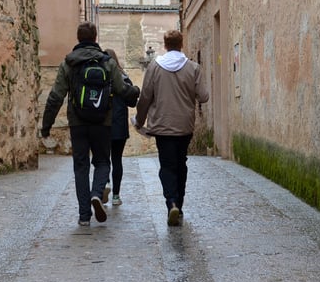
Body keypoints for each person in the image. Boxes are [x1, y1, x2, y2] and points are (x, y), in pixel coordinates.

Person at [41, 22, 139, 226]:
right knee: (103, 162)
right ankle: (97, 194)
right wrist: (136, 94)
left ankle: (84, 215)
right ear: (95, 38)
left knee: (81, 166)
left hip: (77, 122)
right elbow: (122, 90)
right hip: (103, 122)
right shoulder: (107, 62)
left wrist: (46, 126)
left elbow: (55, 96)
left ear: (78, 38)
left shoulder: (69, 62)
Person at [134, 29, 209, 226]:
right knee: (180, 163)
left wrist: (139, 121)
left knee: (166, 166)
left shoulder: (154, 67)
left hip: (162, 125)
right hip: (185, 125)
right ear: (181, 43)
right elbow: (204, 96)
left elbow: (145, 98)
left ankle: (172, 202)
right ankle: (180, 205)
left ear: (165, 45)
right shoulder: (193, 68)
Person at [103, 49, 138, 206]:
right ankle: (116, 196)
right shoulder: (123, 78)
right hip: (119, 125)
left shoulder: (99, 77)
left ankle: (104, 184)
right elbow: (132, 101)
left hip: (101, 124)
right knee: (117, 159)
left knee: (102, 159)